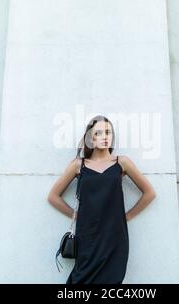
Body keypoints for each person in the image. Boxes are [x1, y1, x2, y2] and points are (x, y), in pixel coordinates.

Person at [47, 115, 156, 283]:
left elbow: (149, 193)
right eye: (99, 133)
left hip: (115, 236)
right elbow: (53, 197)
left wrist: (127, 217)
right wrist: (76, 215)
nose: (105, 136)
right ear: (90, 138)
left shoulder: (122, 162)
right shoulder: (79, 165)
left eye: (108, 132)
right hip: (87, 235)